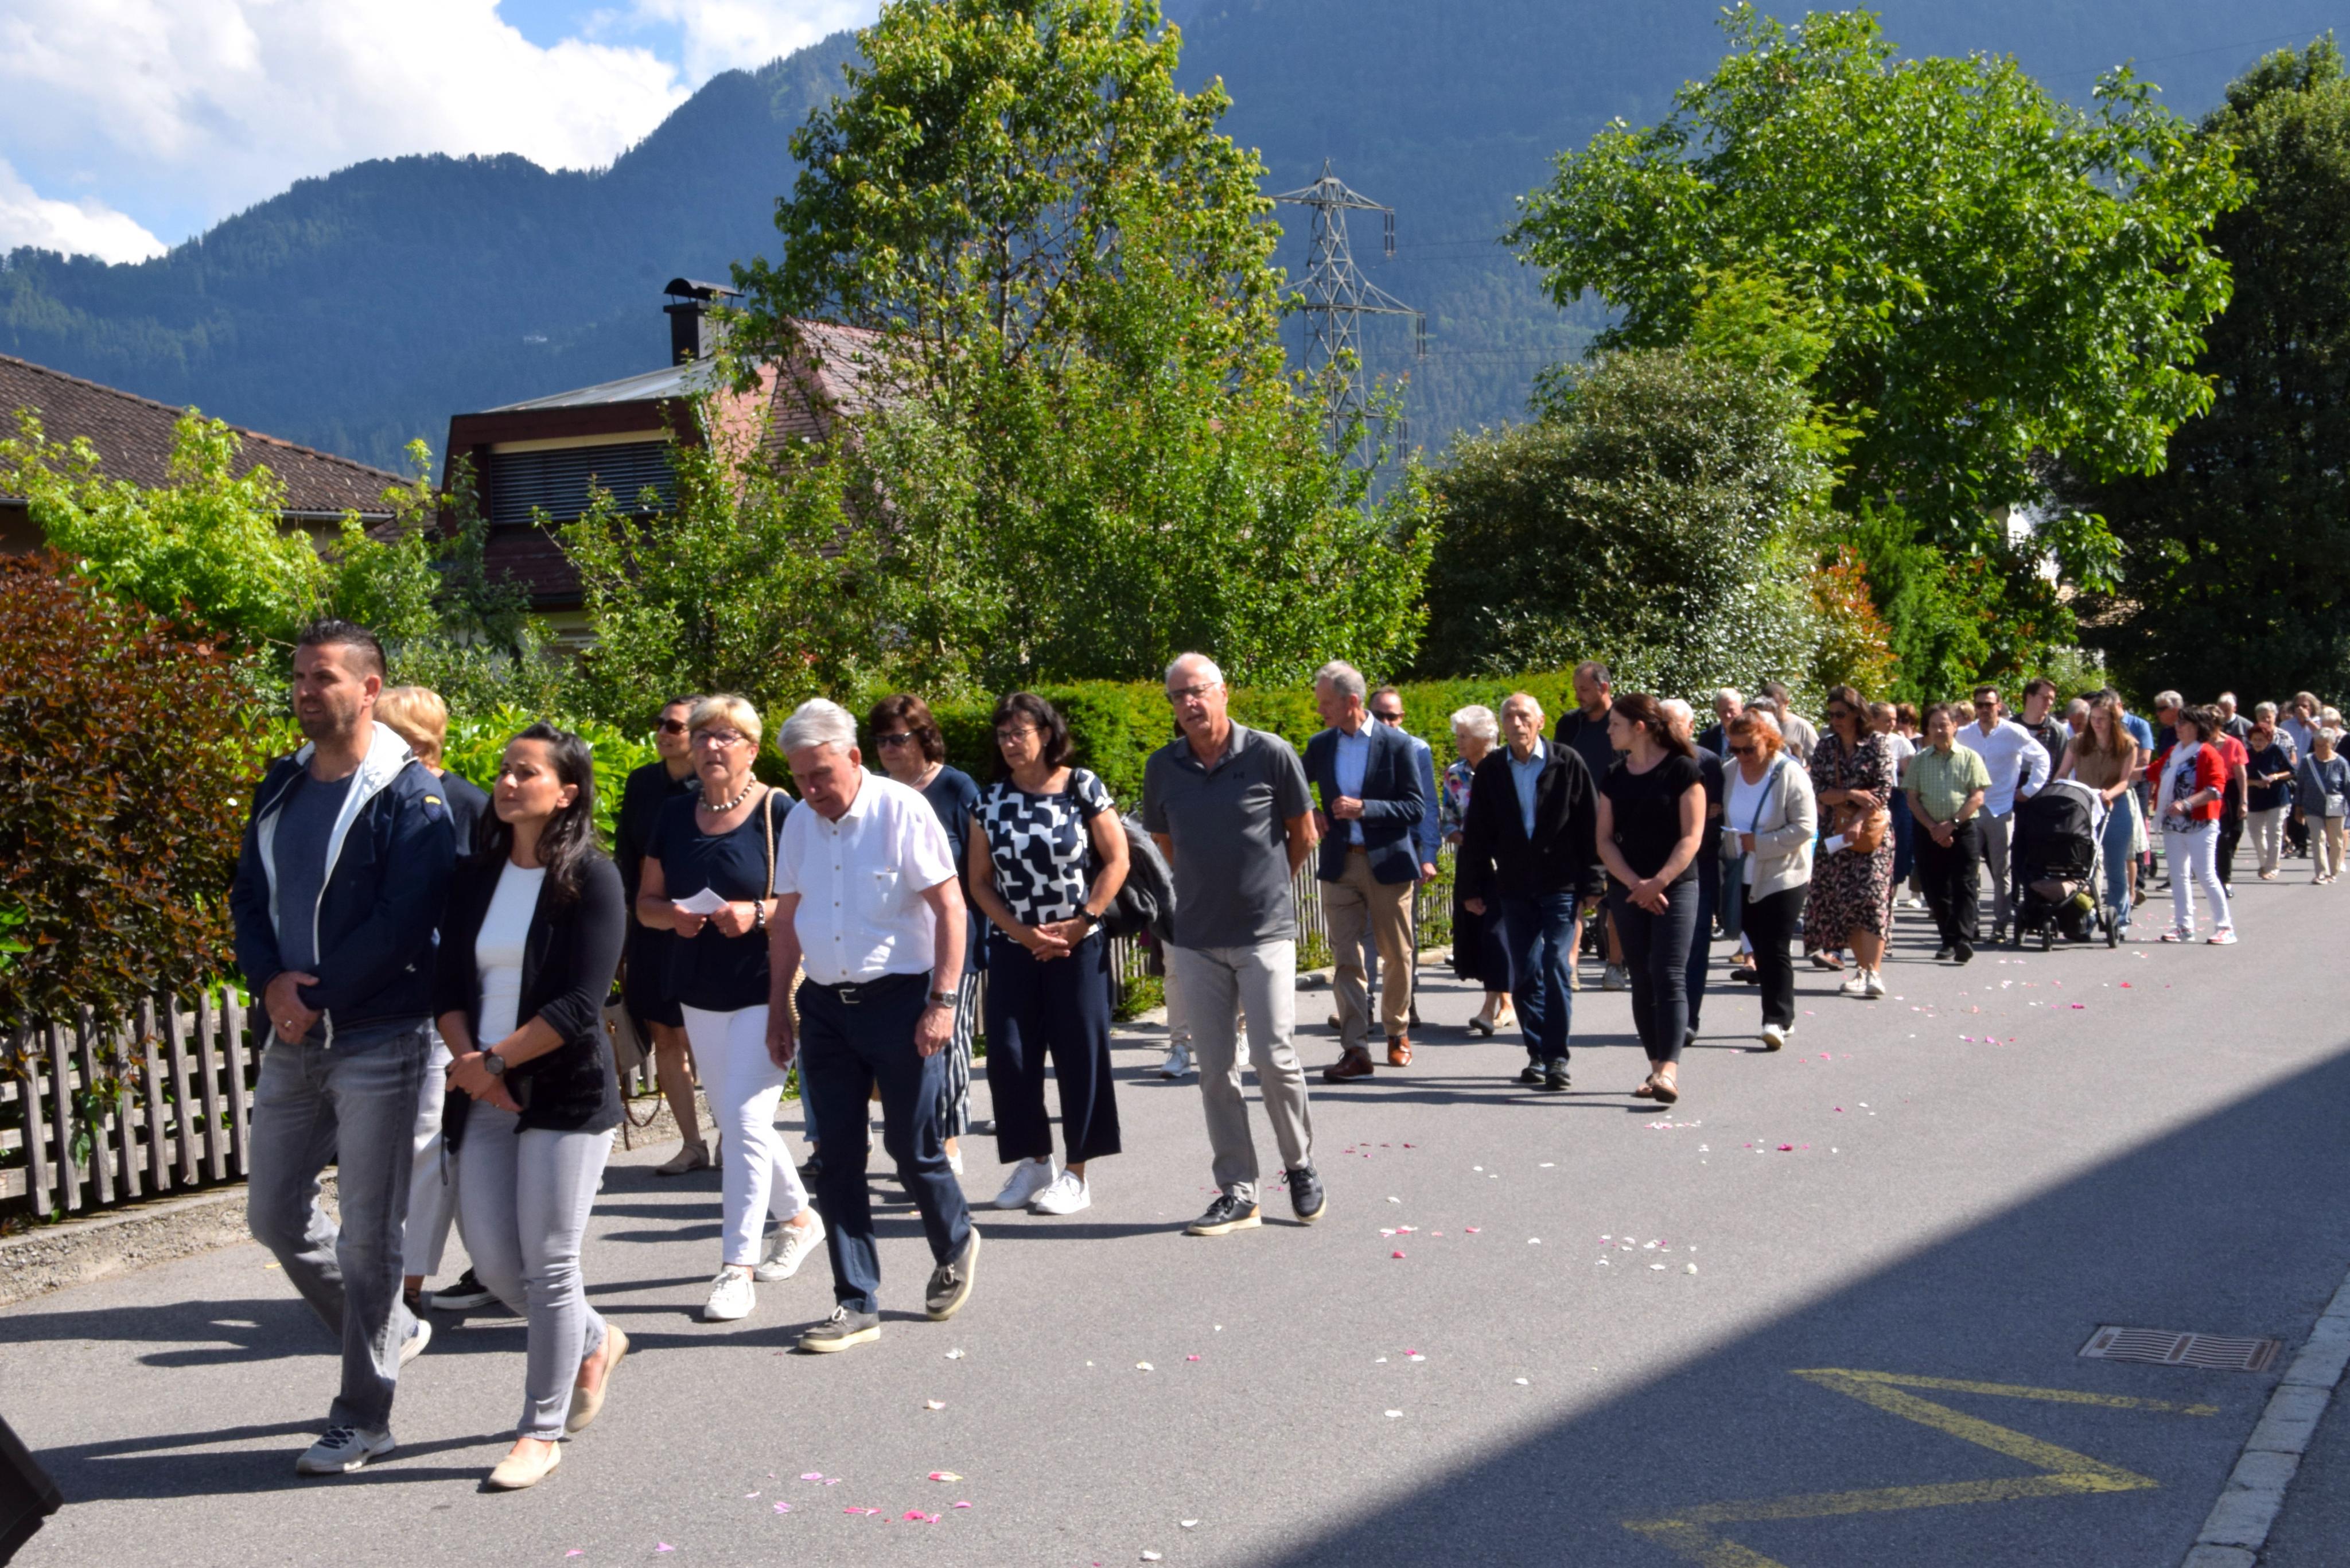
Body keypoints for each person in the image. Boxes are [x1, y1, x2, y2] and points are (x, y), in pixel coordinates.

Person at [228, 620, 456, 1476]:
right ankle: (391, 1330)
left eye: (322, 677)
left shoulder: (410, 796)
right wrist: (270, 984)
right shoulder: (282, 782)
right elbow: (248, 894)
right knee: (273, 1213)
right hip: (295, 1034)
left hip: (381, 1036)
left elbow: (406, 923)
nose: (303, 691)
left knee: (370, 1238)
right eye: (298, 676)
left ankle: (364, 1417)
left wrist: (313, 996)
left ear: (369, 688)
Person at [432, 725, 628, 1492]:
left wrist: (496, 1063)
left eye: (527, 772)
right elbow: (447, 988)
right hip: (482, 1089)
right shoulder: (474, 875)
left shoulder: (593, 877)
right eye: (504, 771)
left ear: (567, 792)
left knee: (550, 1264)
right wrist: (473, 1067)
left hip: (562, 1092)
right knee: (497, 1267)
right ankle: (595, 1338)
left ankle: (540, 1431)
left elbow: (581, 1002)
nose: (508, 783)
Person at [766, 699, 979, 1351]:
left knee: (912, 1149)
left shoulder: (902, 810)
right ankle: (855, 1301)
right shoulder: (799, 823)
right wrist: (778, 1008)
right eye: (800, 776)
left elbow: (951, 909)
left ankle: (955, 1241)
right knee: (835, 1159)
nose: (811, 789)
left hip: (902, 1001)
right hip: (826, 1008)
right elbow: (786, 919)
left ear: (854, 757)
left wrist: (943, 1002)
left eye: (821, 774)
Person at [638, 695, 821, 1324]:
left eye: (726, 736)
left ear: (752, 748)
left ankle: (736, 1267)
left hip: (767, 989)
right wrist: (673, 916)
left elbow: (813, 897)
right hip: (698, 989)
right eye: (702, 736)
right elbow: (645, 904)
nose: (711, 746)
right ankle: (799, 1219)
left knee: (742, 1123)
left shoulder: (781, 811)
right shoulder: (672, 813)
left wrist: (759, 913)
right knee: (744, 1124)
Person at [1143, 653, 1325, 1236]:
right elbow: (1165, 841)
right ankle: (1239, 1191)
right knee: (1215, 1070)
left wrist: (1268, 887)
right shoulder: (1162, 766)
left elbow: (1304, 833)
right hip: (1196, 936)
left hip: (1263, 931)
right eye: (1178, 696)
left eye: (1198, 691)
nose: (1189, 703)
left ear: (1224, 692)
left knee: (1273, 1057)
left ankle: (1299, 1163)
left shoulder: (1269, 753)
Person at [966, 691, 1129, 1216]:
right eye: (1003, 735)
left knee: (1081, 1055)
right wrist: (1022, 932)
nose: (1010, 743)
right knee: (1009, 1056)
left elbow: (1117, 858)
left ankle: (1077, 1173)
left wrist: (1084, 920)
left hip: (1079, 947)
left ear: (1046, 733)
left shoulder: (1082, 785)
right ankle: (1035, 1159)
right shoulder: (988, 801)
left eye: (1020, 732)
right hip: (1015, 948)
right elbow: (979, 881)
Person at [373, 684, 495, 1317]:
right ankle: (487, 1265)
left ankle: (410, 1281)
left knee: (429, 1137)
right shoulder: (374, 798)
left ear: (416, 743)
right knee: (412, 1141)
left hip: (443, 997)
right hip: (383, 997)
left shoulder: (468, 805)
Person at [1457, 692, 1605, 1092]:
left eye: (1524, 716)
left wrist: (1595, 879)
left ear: (1540, 721)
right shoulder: (1492, 769)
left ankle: (1557, 1057)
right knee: (1523, 970)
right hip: (1514, 884)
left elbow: (1589, 822)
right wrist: (1471, 886)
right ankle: (1537, 1053)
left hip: (1560, 882)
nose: (1517, 723)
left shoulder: (1567, 762)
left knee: (1556, 963)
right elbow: (1477, 832)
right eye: (1509, 716)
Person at [866, 694, 983, 1177]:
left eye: (898, 738)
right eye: (881, 740)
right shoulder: (874, 794)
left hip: (951, 943)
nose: (888, 749)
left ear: (924, 737)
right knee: (897, 1053)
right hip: (892, 948)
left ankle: (946, 1149)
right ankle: (916, 1144)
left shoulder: (956, 787)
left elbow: (979, 873)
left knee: (947, 1049)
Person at [1304, 662, 1426, 1079]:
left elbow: (1415, 807)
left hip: (1388, 863)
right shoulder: (1321, 744)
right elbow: (1293, 782)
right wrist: (1311, 809)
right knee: (1346, 958)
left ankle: (1397, 1031)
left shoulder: (1397, 744)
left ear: (1351, 701)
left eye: (1326, 702)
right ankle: (1356, 1048)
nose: (1320, 710)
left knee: (1397, 954)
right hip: (1340, 863)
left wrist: (1366, 808)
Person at [1595, 695, 1706, 1103]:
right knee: (1641, 975)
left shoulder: (1683, 769)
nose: (1609, 731)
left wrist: (1658, 882)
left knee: (1669, 973)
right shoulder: (1614, 775)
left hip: (1675, 886)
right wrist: (1634, 884)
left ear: (1639, 727)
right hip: (1628, 889)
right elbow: (1604, 840)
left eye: (1616, 724)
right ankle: (1656, 1067)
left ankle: (1670, 1071)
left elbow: (1691, 837)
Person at [616, 697, 709, 1178]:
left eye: (674, 725)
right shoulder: (642, 783)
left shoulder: (714, 786)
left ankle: (735, 1138)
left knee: (706, 1038)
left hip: (704, 929)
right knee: (665, 1035)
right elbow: (626, 858)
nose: (663, 732)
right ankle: (693, 1144)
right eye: (659, 723)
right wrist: (625, 929)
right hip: (652, 926)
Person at [1723, 710, 1815, 1048]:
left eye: (1750, 749)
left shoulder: (1789, 773)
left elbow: (1805, 827)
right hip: (1742, 873)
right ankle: (1780, 1013)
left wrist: (1760, 844)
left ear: (1769, 741)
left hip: (1784, 873)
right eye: (1735, 749)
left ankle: (1776, 1019)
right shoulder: (1729, 772)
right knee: (1759, 946)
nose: (1743, 756)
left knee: (1775, 945)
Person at [1806, 685, 1898, 997]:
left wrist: (1858, 819)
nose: (1836, 720)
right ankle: (1862, 970)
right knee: (1846, 903)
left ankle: (1874, 972)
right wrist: (1852, 794)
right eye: (1831, 714)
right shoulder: (1826, 746)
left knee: (1871, 899)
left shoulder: (1877, 743)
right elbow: (1819, 790)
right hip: (1835, 835)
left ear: (1858, 713)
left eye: (1841, 714)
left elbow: (1883, 790)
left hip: (1872, 836)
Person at [1369, 686, 1441, 1033]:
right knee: (1364, 933)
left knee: (1402, 933)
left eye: (1393, 716)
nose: (1386, 722)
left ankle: (1406, 1002)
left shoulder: (1417, 749)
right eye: (1379, 715)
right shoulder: (1356, 747)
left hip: (1403, 848)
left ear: (1402, 718)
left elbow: (1428, 804)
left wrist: (1428, 854)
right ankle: (1363, 1003)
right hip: (1363, 848)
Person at [1955, 686, 2051, 943]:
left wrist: (2029, 790)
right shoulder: (1964, 734)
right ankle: (1971, 924)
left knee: (2001, 871)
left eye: (1989, 704)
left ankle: (2000, 925)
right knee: (1969, 870)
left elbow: (2042, 758)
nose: (1984, 710)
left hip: (2001, 809)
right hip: (1971, 809)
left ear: (1999, 705)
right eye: (1980, 705)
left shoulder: (2013, 732)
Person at [1440, 705, 1514, 1034]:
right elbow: (1448, 819)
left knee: (1497, 933)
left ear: (1485, 738)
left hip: (1505, 862)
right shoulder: (1454, 773)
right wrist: (1466, 840)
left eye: (1465, 736)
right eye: (1457, 735)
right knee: (1480, 932)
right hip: (1471, 862)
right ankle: (1507, 1004)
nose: (1458, 742)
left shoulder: (1507, 767)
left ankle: (1488, 1010)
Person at [1555, 661, 1628, 990]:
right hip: (1576, 825)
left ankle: (1615, 965)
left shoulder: (1625, 721)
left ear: (1604, 688)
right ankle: (1570, 967)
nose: (1578, 696)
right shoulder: (1569, 725)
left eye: (1584, 689)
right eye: (1576, 689)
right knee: (1573, 896)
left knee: (1616, 899)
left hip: (1618, 824)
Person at [1907, 703, 1993, 963]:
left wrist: (1951, 824)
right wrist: (1934, 828)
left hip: (1963, 829)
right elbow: (1912, 798)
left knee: (1965, 884)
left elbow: (1977, 797)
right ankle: (1948, 939)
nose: (1939, 730)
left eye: (1944, 725)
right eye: (1934, 726)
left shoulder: (1970, 758)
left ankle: (1964, 939)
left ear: (1955, 726)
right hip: (1928, 830)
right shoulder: (1919, 760)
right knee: (1935, 887)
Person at [1661, 699, 1724, 1049]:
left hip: (1699, 866)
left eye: (1676, 723)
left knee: (1696, 944)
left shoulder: (1709, 762)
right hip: (1654, 868)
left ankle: (1688, 1019)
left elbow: (1715, 815)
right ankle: (1663, 1015)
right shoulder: (1644, 761)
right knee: (1658, 949)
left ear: (1690, 726)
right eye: (1663, 722)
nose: (1669, 730)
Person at [2056, 693, 2143, 937]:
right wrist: (2057, 789)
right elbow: (2063, 772)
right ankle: (2087, 915)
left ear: (2113, 720)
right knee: (2085, 865)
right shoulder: (2078, 742)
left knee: (2115, 866)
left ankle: (2119, 918)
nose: (2097, 723)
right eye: (2093, 718)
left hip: (2114, 805)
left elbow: (2125, 781)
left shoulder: (2128, 745)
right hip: (2084, 806)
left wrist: (2108, 794)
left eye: (2102, 719)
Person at [2150, 705, 2235, 944]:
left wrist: (2187, 804)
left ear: (2198, 727)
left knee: (2206, 874)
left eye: (2184, 723)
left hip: (2201, 824)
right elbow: (2152, 772)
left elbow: (2216, 789)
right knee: (2178, 876)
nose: (2178, 727)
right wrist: (2121, 773)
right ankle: (2184, 927)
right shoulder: (2174, 752)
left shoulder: (2208, 754)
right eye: (2178, 722)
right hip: (2173, 825)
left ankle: (2225, 927)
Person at [1870, 701, 1918, 918]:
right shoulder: (1862, 740)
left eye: (1894, 720)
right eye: (1887, 720)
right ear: (1873, 720)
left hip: (1895, 797)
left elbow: (1909, 776)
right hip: (1870, 797)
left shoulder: (1900, 742)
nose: (1892, 724)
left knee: (1899, 847)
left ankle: (1891, 898)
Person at [2242, 703, 2297, 881]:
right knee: (2256, 832)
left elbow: (2292, 771)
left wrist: (2276, 776)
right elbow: (2241, 778)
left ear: (2268, 739)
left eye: (2261, 740)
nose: (2258, 743)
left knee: (2275, 832)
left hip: (2277, 796)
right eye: (2255, 740)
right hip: (2255, 797)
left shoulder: (2276, 750)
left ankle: (2272, 867)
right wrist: (2255, 783)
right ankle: (2265, 863)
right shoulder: (2247, 754)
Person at [2295, 729, 2349, 883]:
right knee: (2318, 838)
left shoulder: (2341, 763)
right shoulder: (2307, 761)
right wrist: (2298, 808)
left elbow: (2348, 786)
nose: (2320, 749)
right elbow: (2300, 785)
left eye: (2324, 745)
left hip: (2336, 807)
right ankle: (2321, 873)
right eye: (2317, 745)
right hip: (2312, 806)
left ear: (2332, 744)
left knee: (2336, 841)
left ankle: (2333, 873)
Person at [2208, 712, 2251, 892]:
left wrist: (2244, 801)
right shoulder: (2199, 744)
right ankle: (2224, 881)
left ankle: (2223, 861)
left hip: (2231, 790)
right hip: (2209, 790)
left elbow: (2241, 775)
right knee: (2223, 838)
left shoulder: (2233, 744)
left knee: (2235, 833)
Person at [2017, 678, 2069, 777]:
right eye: (2045, 698)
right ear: (2029, 697)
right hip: (2009, 786)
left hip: (2045, 786)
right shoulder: (2010, 727)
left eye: (2052, 699)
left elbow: (2062, 771)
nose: (2050, 703)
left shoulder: (2057, 732)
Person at [1763, 681, 1818, 762]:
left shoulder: (1802, 727)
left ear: (1786, 703)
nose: (1770, 709)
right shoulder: (1760, 726)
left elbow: (1816, 760)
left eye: (1775, 705)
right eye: (1766, 705)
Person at [1696, 689, 1741, 758]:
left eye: (1731, 710)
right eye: (1724, 711)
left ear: (1741, 709)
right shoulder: (1707, 738)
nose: (1728, 715)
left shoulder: (1750, 735)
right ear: (1718, 712)